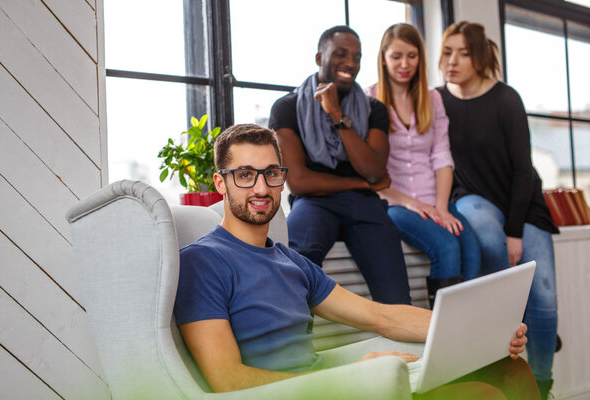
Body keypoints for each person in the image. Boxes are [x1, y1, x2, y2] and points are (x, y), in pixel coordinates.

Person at [173, 123, 539, 399]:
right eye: (244, 175)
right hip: (311, 392)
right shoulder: (201, 262)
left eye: (271, 173)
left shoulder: (291, 262)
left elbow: (380, 316)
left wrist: (479, 328)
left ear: (281, 179)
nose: (260, 188)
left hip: (339, 385)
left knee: (510, 368)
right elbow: (227, 381)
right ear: (220, 184)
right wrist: (350, 380)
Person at [437, 21, 559, 399]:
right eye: (447, 52)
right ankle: (505, 343)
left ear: (480, 56)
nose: (452, 61)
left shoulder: (506, 98)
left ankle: (540, 384)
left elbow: (523, 169)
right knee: (486, 235)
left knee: (545, 297)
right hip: (472, 198)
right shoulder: (437, 100)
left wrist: (516, 230)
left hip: (522, 204)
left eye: (463, 52)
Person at [268, 25, 411, 305]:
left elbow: (373, 170)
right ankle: (291, 342)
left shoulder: (374, 110)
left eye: (357, 57)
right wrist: (361, 183)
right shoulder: (287, 107)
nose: (350, 63)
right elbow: (299, 181)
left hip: (364, 205)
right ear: (320, 58)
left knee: (396, 295)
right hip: (314, 202)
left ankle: (403, 347)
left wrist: (337, 115)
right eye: (341, 54)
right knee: (294, 260)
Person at [365, 23, 480, 308]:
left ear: (420, 58)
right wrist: (408, 202)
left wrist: (441, 207)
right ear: (383, 57)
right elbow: (367, 169)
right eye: (396, 56)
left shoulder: (433, 98)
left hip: (435, 199)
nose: (405, 64)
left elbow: (441, 157)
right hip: (394, 204)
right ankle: (444, 333)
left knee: (473, 249)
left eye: (412, 56)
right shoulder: (368, 98)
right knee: (446, 247)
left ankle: (469, 324)